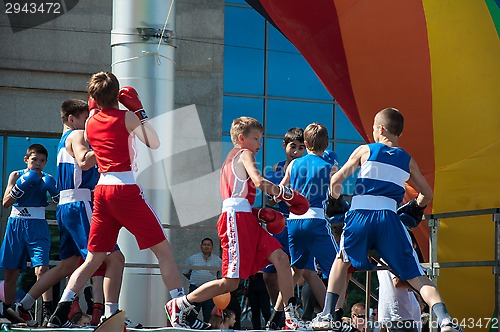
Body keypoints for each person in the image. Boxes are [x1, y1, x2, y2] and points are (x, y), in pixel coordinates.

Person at [48, 72, 208, 329]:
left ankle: (62, 307)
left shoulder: (88, 123)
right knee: (163, 250)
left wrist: (94, 111)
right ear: (117, 93)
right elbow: (154, 143)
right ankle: (179, 306)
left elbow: (91, 142)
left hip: (101, 191)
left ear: (94, 97)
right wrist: (140, 110)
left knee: (94, 258)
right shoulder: (127, 117)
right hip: (125, 189)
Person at [311, 108, 463, 332]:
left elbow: (336, 179)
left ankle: (326, 315)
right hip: (390, 219)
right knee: (416, 275)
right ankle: (445, 320)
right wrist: (415, 206)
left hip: (360, 215)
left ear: (380, 129)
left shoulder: (365, 150)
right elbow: (427, 194)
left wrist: (335, 201)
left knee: (341, 261)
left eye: (373, 127)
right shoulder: (407, 159)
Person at [165, 116, 311, 330]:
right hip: (235, 220)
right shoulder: (245, 154)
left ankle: (290, 317)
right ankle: (181, 303)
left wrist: (257, 211)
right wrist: (286, 193)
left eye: (260, 139)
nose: (259, 144)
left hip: (245, 217)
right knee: (231, 282)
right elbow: (259, 182)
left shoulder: (231, 158)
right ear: (242, 138)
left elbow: (238, 195)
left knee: (281, 258)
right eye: (256, 139)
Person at [8, 99, 125, 328]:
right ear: (72, 119)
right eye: (85, 119)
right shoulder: (77, 135)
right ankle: (106, 315)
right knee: (115, 258)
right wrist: (108, 144)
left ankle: (24, 305)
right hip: (81, 204)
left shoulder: (62, 141)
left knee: (68, 264)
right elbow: (84, 161)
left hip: (66, 206)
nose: (88, 123)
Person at [277, 123, 345, 322]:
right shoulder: (328, 167)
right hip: (316, 220)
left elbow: (280, 192)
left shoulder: (293, 164)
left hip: (294, 222)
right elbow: (336, 196)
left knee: (296, 269)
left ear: (305, 143)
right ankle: (335, 314)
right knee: (338, 267)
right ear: (326, 144)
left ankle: (279, 315)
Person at [263, 127, 329, 329]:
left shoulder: (307, 166)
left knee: (303, 271)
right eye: (293, 146)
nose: (296, 151)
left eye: (301, 147)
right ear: (285, 146)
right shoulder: (277, 170)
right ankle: (284, 313)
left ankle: (282, 315)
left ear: (306, 147)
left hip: (295, 223)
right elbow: (272, 199)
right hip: (284, 226)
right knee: (272, 274)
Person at [1, 144, 59, 325]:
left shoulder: (48, 179)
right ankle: (10, 311)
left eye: (42, 161)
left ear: (46, 163)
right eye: (35, 160)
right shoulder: (16, 175)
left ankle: (48, 311)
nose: (38, 164)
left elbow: (59, 204)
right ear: (26, 160)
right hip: (16, 224)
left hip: (38, 226)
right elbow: (5, 203)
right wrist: (20, 187)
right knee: (11, 271)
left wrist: (56, 194)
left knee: (42, 269)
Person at [183, 238, 223, 323]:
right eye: (204, 244)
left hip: (211, 292)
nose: (206, 247)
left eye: (208, 245)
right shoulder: (192, 258)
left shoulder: (218, 260)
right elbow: (186, 273)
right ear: (201, 246)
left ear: (212, 247)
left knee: (209, 315)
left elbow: (220, 277)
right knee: (192, 314)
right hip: (195, 290)